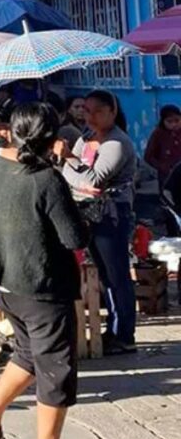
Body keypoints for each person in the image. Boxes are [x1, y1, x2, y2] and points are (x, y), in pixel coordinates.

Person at [0, 103, 88, 439]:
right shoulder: (45, 179)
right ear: (51, 138)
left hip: (0, 280)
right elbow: (74, 238)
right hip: (40, 285)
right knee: (55, 369)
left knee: (28, 352)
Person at [56, 90, 138, 356]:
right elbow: (74, 176)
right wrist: (73, 164)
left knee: (116, 275)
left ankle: (124, 334)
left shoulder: (116, 143)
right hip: (89, 211)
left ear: (112, 112)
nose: (89, 117)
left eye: (97, 111)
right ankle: (113, 330)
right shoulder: (88, 138)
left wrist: (69, 159)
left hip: (111, 213)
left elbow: (92, 181)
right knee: (103, 274)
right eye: (86, 111)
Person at [144, 104, 181, 183]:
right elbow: (148, 156)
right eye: (169, 121)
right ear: (163, 121)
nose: (174, 124)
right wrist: (163, 167)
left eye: (177, 120)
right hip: (167, 176)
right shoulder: (158, 134)